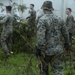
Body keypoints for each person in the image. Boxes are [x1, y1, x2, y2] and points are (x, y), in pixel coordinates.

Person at [36, 1, 70, 75]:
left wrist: (39, 49)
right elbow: (66, 33)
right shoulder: (60, 18)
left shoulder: (42, 19)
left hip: (46, 51)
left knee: (43, 70)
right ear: (51, 9)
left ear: (44, 9)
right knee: (58, 70)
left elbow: (40, 36)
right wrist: (67, 44)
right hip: (58, 50)